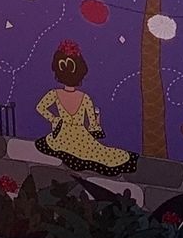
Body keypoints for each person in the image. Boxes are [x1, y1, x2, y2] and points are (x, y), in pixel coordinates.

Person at [34, 40, 138, 175]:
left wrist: (54, 119)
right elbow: (93, 127)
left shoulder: (55, 94)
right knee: (104, 155)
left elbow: (40, 107)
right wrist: (97, 120)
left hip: (62, 138)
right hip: (81, 138)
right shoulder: (85, 98)